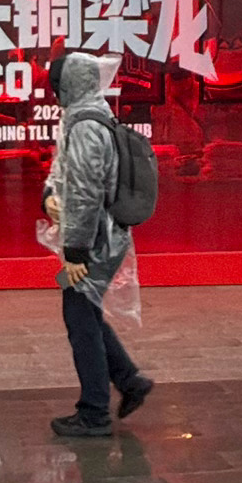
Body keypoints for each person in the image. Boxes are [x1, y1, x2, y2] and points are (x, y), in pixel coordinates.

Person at [45, 52, 158, 439]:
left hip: (94, 243)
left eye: (57, 84)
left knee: (79, 316)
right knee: (84, 311)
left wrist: (75, 251)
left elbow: (85, 192)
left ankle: (94, 412)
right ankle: (129, 381)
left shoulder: (86, 126)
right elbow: (64, 175)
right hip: (98, 238)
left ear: (68, 85)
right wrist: (48, 196)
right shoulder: (87, 118)